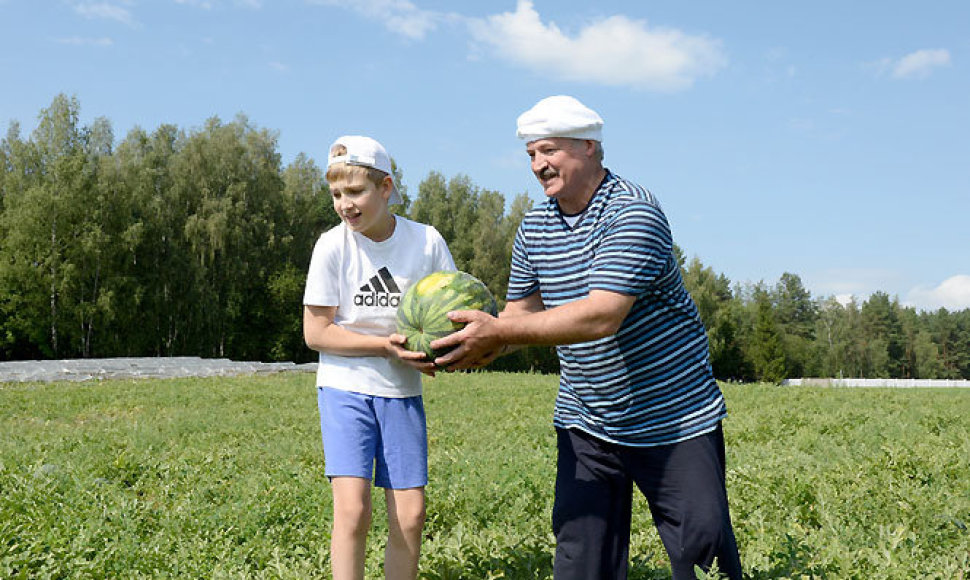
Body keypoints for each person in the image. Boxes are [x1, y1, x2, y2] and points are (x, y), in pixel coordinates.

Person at [431, 96, 743, 579]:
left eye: (549, 151)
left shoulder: (632, 212)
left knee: (702, 556)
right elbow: (521, 317)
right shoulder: (534, 226)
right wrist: (470, 346)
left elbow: (601, 316)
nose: (538, 165)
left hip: (673, 418)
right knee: (581, 560)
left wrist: (500, 329)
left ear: (589, 147)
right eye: (531, 154)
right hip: (587, 418)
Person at [303, 135, 455, 580]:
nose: (344, 205)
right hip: (345, 388)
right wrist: (382, 345)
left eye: (355, 192)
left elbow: (449, 313)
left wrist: (444, 353)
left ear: (385, 187)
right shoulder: (331, 246)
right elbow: (316, 332)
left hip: (402, 392)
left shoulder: (426, 242)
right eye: (336, 195)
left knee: (410, 517)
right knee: (353, 512)